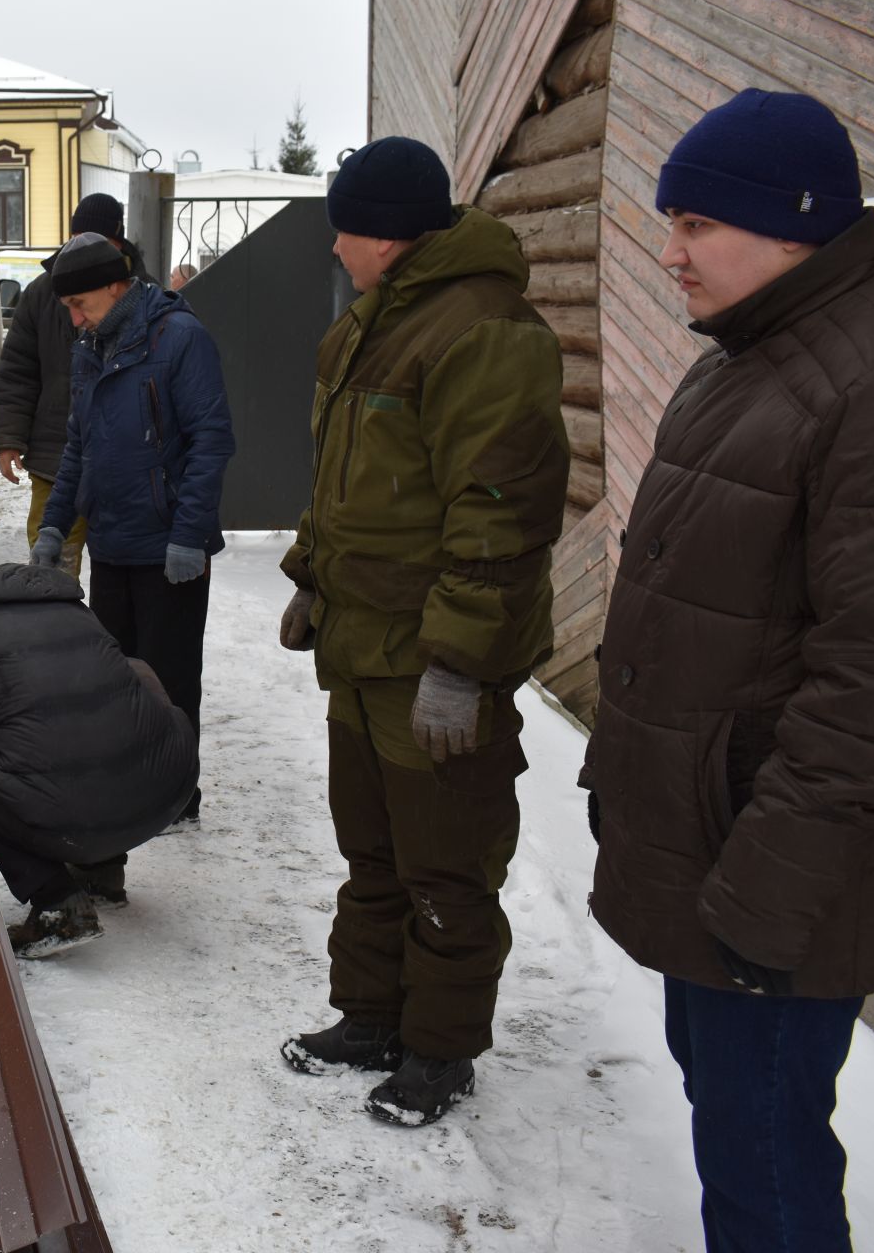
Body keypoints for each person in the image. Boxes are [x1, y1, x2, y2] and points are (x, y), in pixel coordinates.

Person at [582, 90, 874, 1252]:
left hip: (773, 882)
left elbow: (868, 684)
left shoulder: (859, 385)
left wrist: (763, 896)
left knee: (766, 1176)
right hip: (713, 852)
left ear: (793, 224)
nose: (668, 253)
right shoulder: (749, 355)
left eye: (696, 224)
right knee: (740, 1141)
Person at [275, 136, 568, 1125]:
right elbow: (346, 484)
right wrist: (312, 575)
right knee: (374, 853)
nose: (332, 249)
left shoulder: (483, 331)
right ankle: (370, 1016)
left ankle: (440, 1051)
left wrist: (460, 663)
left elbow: (501, 515)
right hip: (361, 647)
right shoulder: (371, 326)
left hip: (431, 662)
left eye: (341, 230)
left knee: (446, 863)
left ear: (384, 233)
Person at [0, 564, 197, 957]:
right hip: (162, 794)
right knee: (94, 715)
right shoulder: (73, 611)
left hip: (76, 812)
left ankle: (57, 903)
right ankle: (104, 870)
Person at [32, 231, 234, 826]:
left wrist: (188, 535)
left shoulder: (181, 339)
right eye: (67, 308)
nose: (73, 319)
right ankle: (132, 792)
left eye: (79, 304)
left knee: (169, 685)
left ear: (116, 287)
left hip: (169, 549)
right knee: (117, 683)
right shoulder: (92, 347)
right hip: (114, 544)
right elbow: (79, 448)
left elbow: (211, 442)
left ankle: (175, 800)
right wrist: (54, 527)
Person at [0, 193, 153, 575]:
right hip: (55, 456)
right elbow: (17, 369)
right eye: (80, 235)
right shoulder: (42, 292)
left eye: (99, 238)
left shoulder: (144, 296)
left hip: (125, 465)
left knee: (121, 572)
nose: (86, 247)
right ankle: (55, 630)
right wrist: (8, 437)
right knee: (50, 566)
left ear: (119, 242)